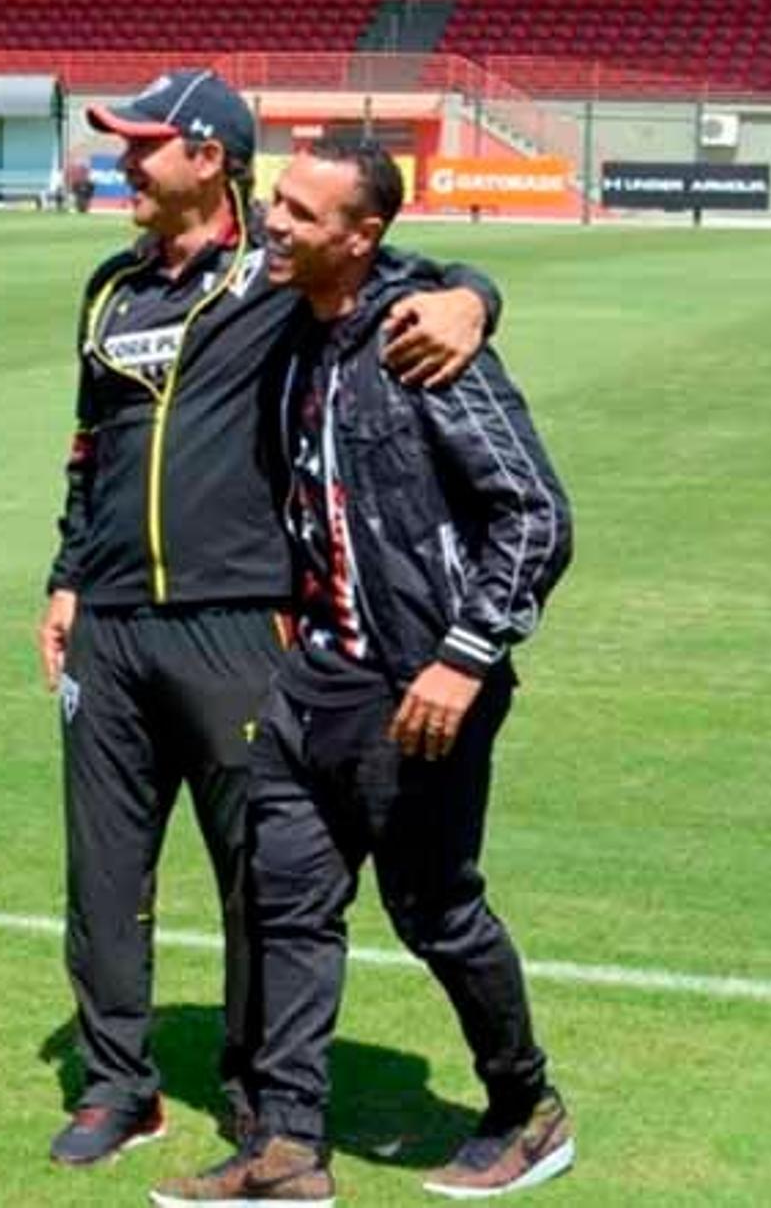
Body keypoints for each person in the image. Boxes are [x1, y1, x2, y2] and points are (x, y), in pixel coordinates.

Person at [40, 70, 504, 1168]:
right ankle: (119, 1086)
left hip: (242, 623)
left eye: (141, 145)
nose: (122, 162)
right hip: (108, 626)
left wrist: (475, 299)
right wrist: (65, 576)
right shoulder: (110, 287)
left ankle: (263, 1096)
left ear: (207, 156)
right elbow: (87, 449)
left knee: (262, 872)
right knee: (104, 871)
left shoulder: (277, 275)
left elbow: (418, 275)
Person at [151, 139, 574, 1206]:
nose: (275, 222)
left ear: (362, 233)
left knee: (435, 912)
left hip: (422, 690)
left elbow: (537, 515)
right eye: (274, 202)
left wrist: (464, 660)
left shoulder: (425, 339)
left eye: (301, 210)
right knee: (288, 908)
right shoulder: (292, 323)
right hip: (315, 684)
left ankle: (527, 1108)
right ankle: (289, 1150)